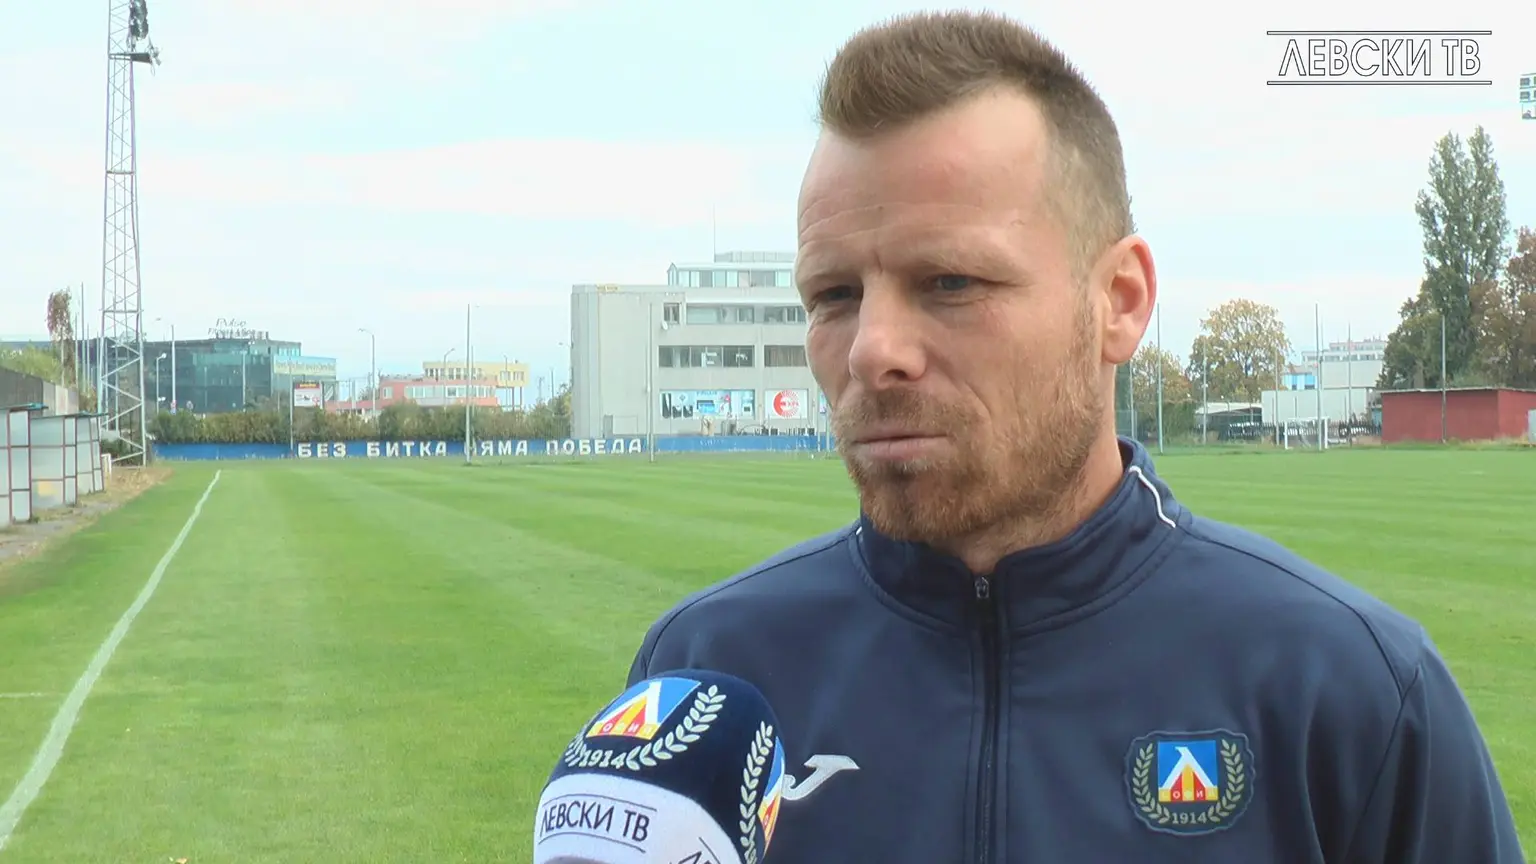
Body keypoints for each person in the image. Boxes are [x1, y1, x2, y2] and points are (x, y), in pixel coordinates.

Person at [622, 10, 1524, 862]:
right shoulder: (706, 676)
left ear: (1119, 303)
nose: (872, 351)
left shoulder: (1349, 691)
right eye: (834, 295)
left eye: (950, 282)